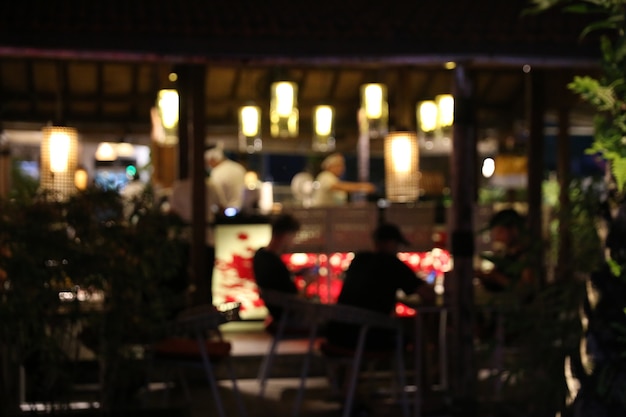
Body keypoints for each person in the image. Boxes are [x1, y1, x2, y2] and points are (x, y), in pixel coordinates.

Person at [325, 222, 436, 351]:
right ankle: (427, 368)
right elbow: (428, 294)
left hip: (337, 334)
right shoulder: (393, 264)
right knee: (413, 328)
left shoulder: (359, 260)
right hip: (368, 337)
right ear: (391, 243)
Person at [253, 213, 314, 331]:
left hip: (277, 314)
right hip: (289, 317)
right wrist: (307, 283)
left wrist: (295, 274)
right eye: (293, 237)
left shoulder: (261, 256)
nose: (293, 242)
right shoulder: (275, 264)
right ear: (286, 236)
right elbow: (296, 302)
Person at [474, 208, 537, 303]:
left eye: (500, 231)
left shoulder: (526, 256)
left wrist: (496, 277)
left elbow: (527, 290)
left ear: (514, 229)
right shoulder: (506, 254)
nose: (496, 236)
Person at [311, 152, 376, 207]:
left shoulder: (333, 178)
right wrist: (363, 187)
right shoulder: (325, 175)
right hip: (321, 214)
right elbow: (339, 186)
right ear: (330, 166)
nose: (342, 169)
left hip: (329, 214)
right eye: (339, 165)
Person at [205, 145, 246, 213]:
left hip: (225, 212)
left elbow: (217, 197)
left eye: (208, 162)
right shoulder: (238, 167)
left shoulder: (216, 172)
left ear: (212, 159)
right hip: (241, 210)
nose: (207, 165)